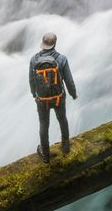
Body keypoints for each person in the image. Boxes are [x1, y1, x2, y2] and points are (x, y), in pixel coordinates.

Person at [29, 32, 77, 164]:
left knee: (44, 124)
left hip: (42, 100)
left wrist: (34, 95)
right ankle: (65, 147)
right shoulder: (62, 59)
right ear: (55, 44)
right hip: (58, 98)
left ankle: (45, 155)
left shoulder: (34, 60)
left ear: (42, 43)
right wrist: (73, 94)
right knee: (62, 119)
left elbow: (31, 80)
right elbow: (69, 81)